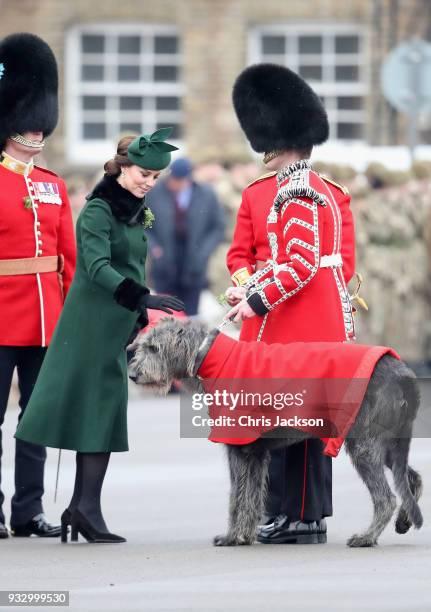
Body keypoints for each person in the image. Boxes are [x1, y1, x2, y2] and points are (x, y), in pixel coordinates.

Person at [16, 128, 184, 543]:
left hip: (115, 320)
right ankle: (84, 509)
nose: (149, 182)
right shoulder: (97, 210)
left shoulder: (134, 208)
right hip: (89, 322)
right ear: (123, 168)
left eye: (155, 178)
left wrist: (139, 312)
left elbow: (132, 263)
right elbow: (95, 265)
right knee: (95, 410)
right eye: (144, 173)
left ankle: (83, 506)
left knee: (105, 413)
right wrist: (141, 297)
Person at [224, 63, 356, 544]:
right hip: (303, 312)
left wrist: (256, 300)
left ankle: (301, 516)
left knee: (295, 418)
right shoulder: (313, 190)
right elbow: (252, 255)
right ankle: (293, 512)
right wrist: (248, 285)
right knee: (289, 414)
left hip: (295, 316)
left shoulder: (296, 190)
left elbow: (303, 263)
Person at [0, 33, 76, 539]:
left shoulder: (52, 184)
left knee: (36, 419)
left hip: (46, 313)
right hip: (2, 313)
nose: (35, 130)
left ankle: (28, 510)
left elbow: (67, 257)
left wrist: (69, 314)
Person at [146, 157, 225, 315]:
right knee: (166, 315)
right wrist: (153, 247)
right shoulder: (154, 193)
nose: (176, 185)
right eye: (174, 180)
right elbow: (143, 225)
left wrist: (203, 253)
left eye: (181, 181)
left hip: (193, 264)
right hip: (164, 263)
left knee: (190, 317)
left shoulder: (206, 195)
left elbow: (217, 228)